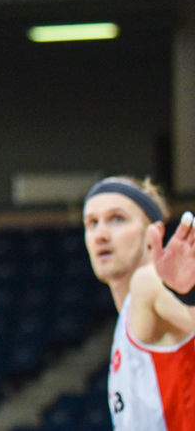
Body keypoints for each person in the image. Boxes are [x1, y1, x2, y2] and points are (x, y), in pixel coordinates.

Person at [81, 176, 195, 429]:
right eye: (92, 223)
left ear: (152, 233)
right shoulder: (128, 317)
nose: (100, 235)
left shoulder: (148, 283)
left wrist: (189, 294)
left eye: (117, 219)